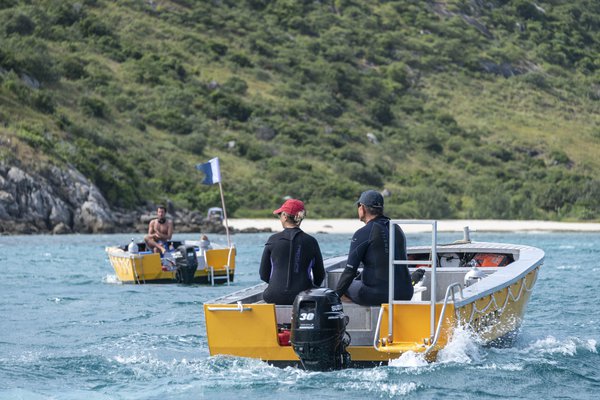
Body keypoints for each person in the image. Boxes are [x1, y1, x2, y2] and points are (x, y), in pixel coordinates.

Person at [335, 190, 413, 305]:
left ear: (362, 208)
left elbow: (349, 272)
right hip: (405, 293)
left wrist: (334, 296)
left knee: (346, 286)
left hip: (377, 295)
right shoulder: (397, 228)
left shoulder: (364, 232)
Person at [259, 199, 325, 305]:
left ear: (285, 216)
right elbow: (320, 275)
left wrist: (277, 285)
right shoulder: (311, 241)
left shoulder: (273, 240)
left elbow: (263, 274)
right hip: (303, 296)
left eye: (280, 215)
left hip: (273, 296)